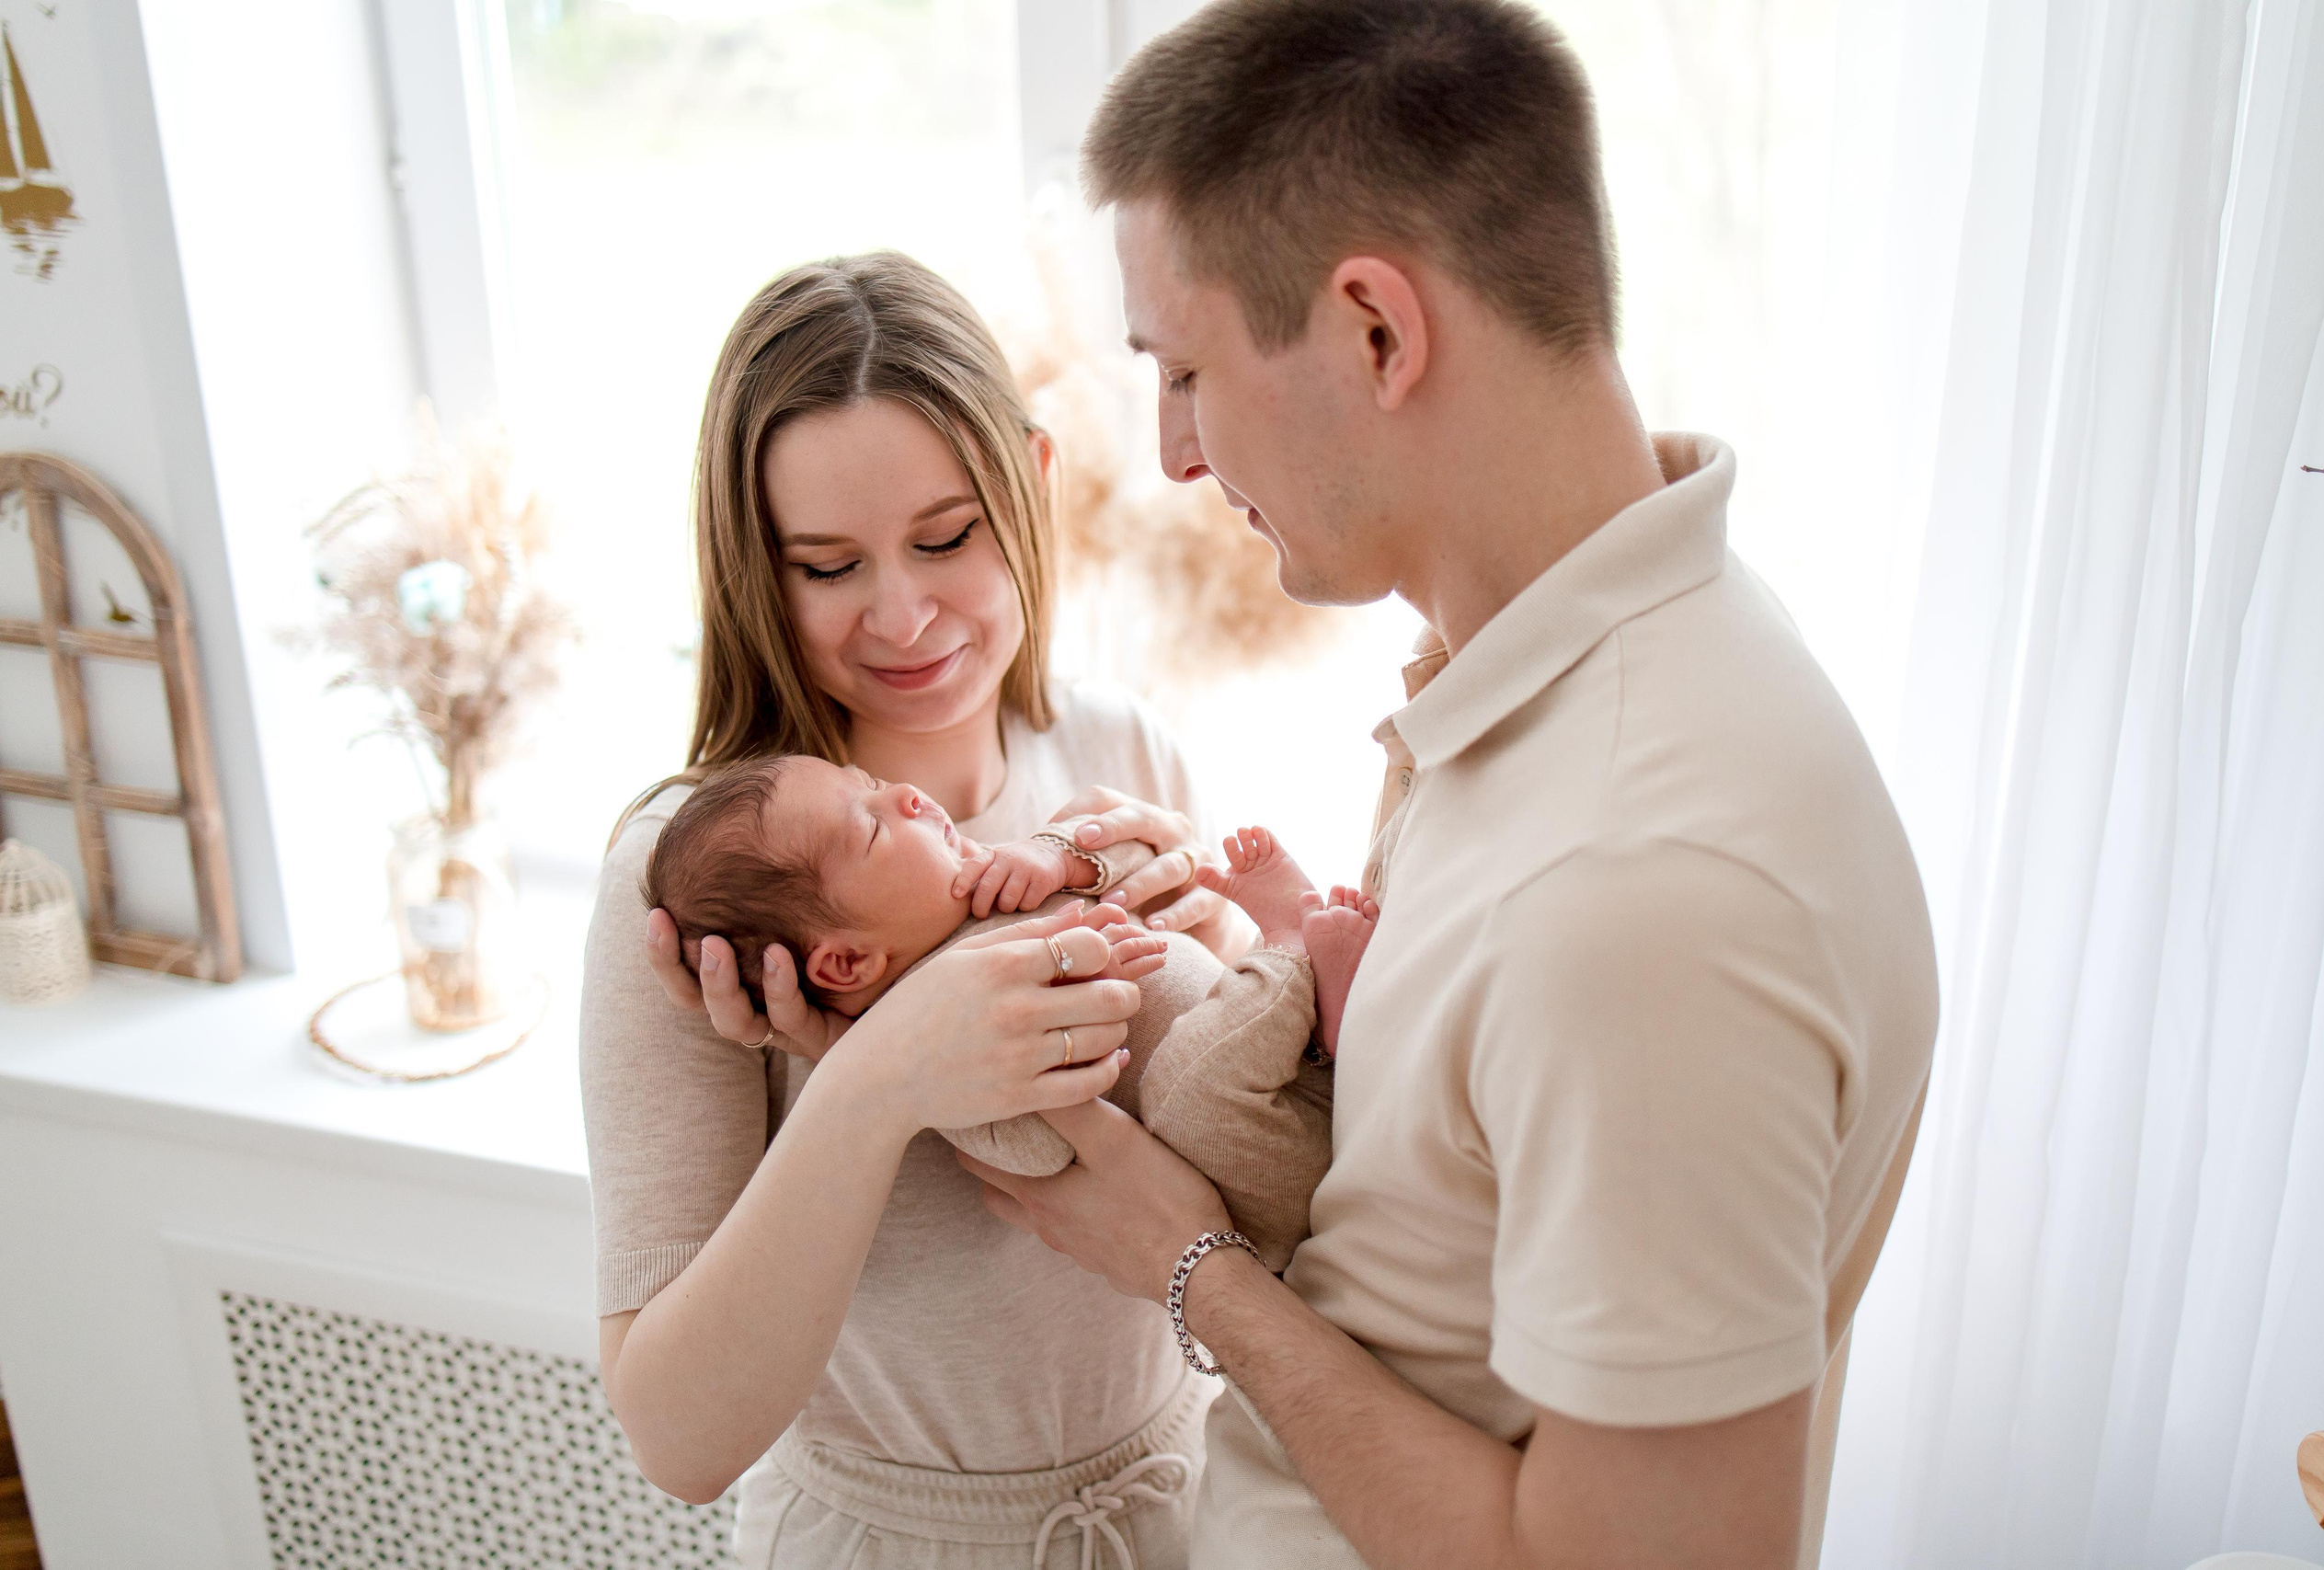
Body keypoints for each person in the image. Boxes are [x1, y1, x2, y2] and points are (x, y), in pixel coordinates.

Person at [960, 5, 1940, 1570]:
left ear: (1374, 331)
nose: (1174, 456)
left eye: (1189, 369)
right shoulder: (1587, 677)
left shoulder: (1645, 880)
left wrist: (1188, 1264)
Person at [581, 251, 1257, 1570]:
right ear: (754, 570)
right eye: (828, 565)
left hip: (1191, 1507)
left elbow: (1252, 1166)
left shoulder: (1126, 759)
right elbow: (677, 1436)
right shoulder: (700, 887)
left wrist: (1232, 945)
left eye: (946, 539)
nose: (903, 615)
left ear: (1032, 486)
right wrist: (873, 1080)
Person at [638, 749, 1378, 1268]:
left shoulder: (988, 877)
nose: (907, 794)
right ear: (847, 962)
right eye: (871, 824)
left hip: (1289, 1068)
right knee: (1183, 1090)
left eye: (872, 782)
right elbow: (1038, 1149)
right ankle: (1293, 953)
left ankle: (1318, 994)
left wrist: (1061, 854)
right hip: (1261, 1172)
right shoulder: (935, 1042)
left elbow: (1126, 870)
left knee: (1229, 1039)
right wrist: (1083, 1004)